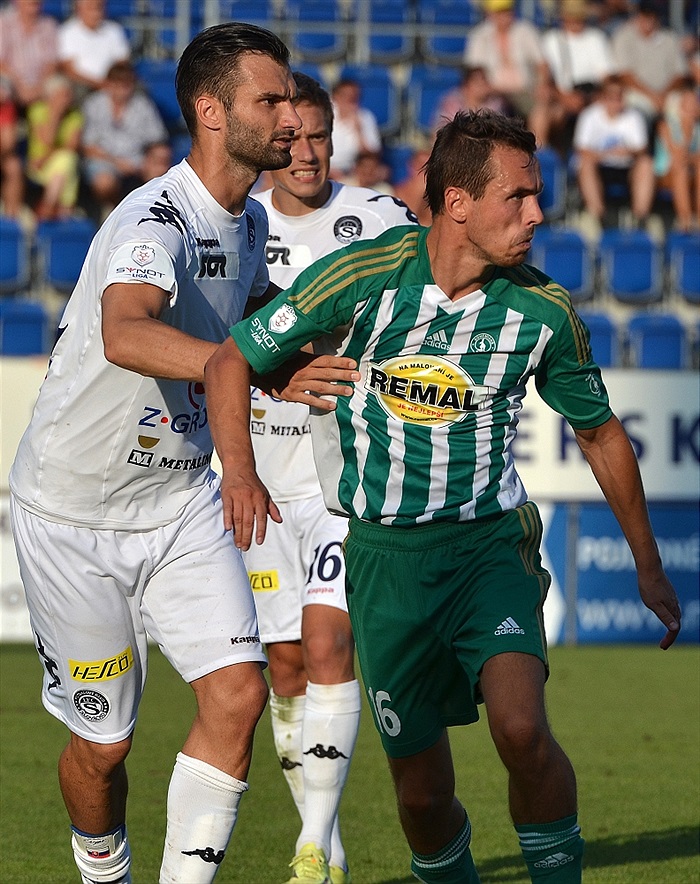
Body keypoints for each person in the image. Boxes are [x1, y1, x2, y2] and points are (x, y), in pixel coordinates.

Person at [204, 109, 682, 884]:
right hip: (386, 563)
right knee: (422, 798)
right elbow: (230, 359)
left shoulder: (543, 310)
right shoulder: (363, 275)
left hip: (489, 547)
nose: (537, 214)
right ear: (457, 201)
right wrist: (241, 469)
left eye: (539, 197)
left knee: (522, 730)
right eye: (518, 197)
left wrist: (648, 565)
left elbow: (600, 435)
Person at [9, 21, 303, 884]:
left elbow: (265, 326)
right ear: (212, 111)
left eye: (290, 97)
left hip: (175, 504)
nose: (290, 116)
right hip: (73, 513)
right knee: (103, 747)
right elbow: (125, 328)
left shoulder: (244, 220)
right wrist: (236, 369)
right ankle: (103, 869)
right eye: (271, 99)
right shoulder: (155, 217)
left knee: (240, 694)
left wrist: (344, 339)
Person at [245, 70, 417, 884]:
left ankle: (311, 847)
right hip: (256, 474)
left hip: (341, 474)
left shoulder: (380, 217)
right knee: (282, 666)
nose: (308, 153)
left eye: (321, 137)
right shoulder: (236, 225)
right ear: (270, 141)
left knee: (328, 642)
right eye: (294, 139)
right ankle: (327, 832)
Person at [81, 61, 168, 218]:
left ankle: (152, 215)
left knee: (159, 168)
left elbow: (157, 140)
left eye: (127, 84)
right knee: (103, 182)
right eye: (119, 84)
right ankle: (115, 211)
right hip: (104, 159)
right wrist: (117, 163)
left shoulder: (143, 105)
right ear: (110, 84)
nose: (124, 90)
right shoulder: (94, 104)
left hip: (136, 159)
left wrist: (151, 160)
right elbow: (88, 147)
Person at [573, 74, 656, 231]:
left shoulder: (634, 116)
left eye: (619, 96)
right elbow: (581, 148)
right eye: (611, 96)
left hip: (627, 168)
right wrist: (605, 154)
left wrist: (627, 152)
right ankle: (598, 217)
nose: (616, 101)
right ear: (603, 98)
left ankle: (640, 218)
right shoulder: (589, 116)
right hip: (600, 167)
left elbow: (641, 148)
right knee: (585, 164)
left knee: (646, 164)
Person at [464, 0, 552, 144]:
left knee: (542, 107)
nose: (505, 15)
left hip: (525, 91)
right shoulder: (479, 36)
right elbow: (474, 72)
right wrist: (486, 89)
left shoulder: (525, 31)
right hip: (492, 92)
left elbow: (542, 65)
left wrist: (542, 84)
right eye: (500, 12)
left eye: (507, 10)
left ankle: (538, 151)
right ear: (490, 14)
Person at [540, 0, 616, 154]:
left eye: (579, 17)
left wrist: (593, 98)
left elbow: (607, 77)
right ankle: (543, 159)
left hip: (593, 95)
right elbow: (545, 79)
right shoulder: (551, 40)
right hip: (561, 97)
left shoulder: (596, 38)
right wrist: (563, 97)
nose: (575, 21)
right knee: (541, 115)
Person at [611, 0, 688, 133]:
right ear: (636, 16)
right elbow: (625, 75)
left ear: (657, 18)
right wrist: (653, 96)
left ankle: (680, 152)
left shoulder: (669, 38)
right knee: (636, 114)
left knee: (687, 109)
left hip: (667, 94)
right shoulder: (623, 36)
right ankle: (643, 152)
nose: (647, 20)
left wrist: (662, 95)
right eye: (643, 15)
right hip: (636, 94)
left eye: (651, 16)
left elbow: (680, 75)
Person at [25, 73, 83, 221]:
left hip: (46, 161)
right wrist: (56, 115)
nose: (68, 98)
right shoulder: (37, 110)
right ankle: (65, 210)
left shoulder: (75, 115)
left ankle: (48, 206)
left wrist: (46, 157)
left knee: (67, 159)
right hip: (37, 168)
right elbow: (47, 140)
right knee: (67, 163)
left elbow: (72, 146)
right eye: (63, 94)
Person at [58, 0, 130, 100]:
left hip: (112, 82)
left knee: (135, 89)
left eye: (99, 6)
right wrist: (99, 84)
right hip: (81, 84)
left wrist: (112, 82)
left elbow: (122, 62)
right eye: (91, 7)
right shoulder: (67, 32)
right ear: (79, 9)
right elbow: (69, 70)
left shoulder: (114, 30)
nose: (96, 11)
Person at [654, 76, 700, 231]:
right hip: (665, 172)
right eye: (690, 103)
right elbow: (677, 155)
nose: (695, 106)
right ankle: (685, 221)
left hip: (689, 172)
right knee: (680, 169)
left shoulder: (698, 128)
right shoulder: (666, 126)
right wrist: (687, 131)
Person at [0, 0, 59, 114]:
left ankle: (45, 130)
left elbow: (51, 63)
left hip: (42, 80)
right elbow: (1, 62)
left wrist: (38, 87)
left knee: (62, 94)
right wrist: (20, 85)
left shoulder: (48, 25)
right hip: (11, 80)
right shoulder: (4, 23)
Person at [329, 77, 382, 180]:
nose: (349, 99)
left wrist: (358, 131)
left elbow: (371, 155)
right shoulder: (324, 114)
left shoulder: (365, 117)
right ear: (335, 96)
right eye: (345, 95)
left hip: (352, 172)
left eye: (354, 97)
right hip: (325, 168)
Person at [431, 65, 511, 134]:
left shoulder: (496, 104)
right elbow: (440, 131)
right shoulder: (451, 102)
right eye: (477, 82)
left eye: (484, 80)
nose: (482, 85)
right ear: (466, 85)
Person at [0, 75, 25, 219]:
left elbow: (8, 143)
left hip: (3, 154)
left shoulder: (7, 107)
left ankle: (10, 219)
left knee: (14, 167)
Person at [393, 142, 434, 226]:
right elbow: (409, 221)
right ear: (410, 166)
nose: (424, 171)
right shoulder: (394, 191)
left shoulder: (437, 195)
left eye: (428, 167)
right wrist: (419, 192)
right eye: (420, 165)